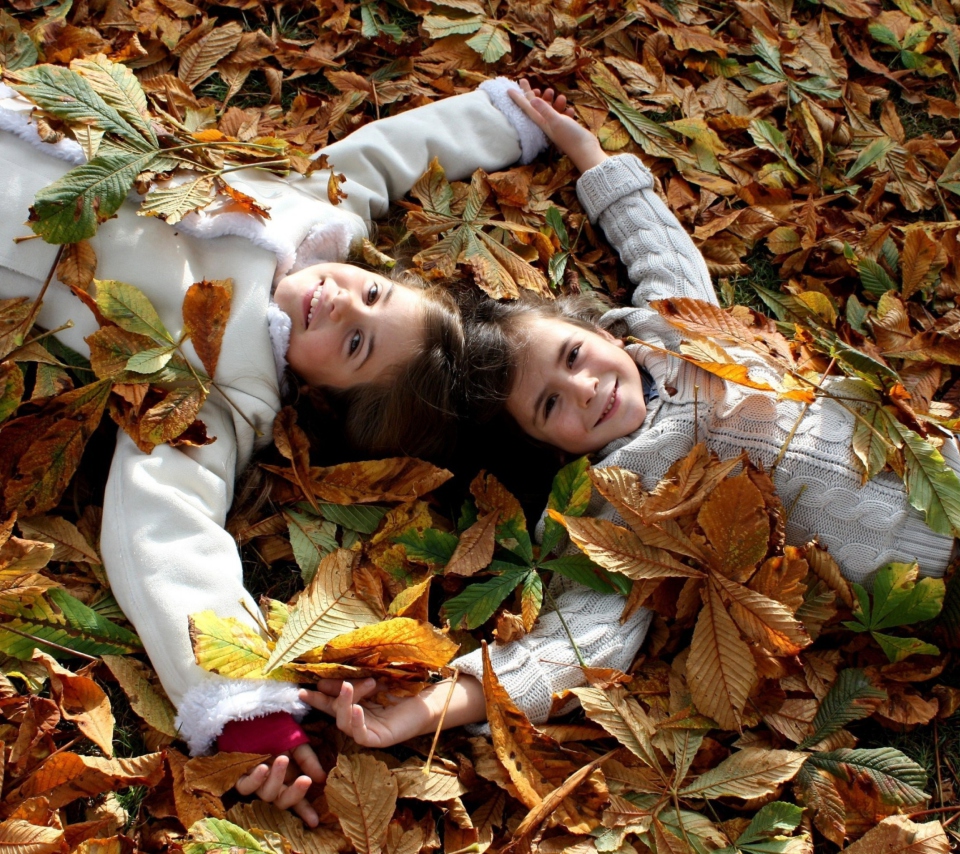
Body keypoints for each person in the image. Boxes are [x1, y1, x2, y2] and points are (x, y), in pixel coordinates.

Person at [301, 81, 960, 755]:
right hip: (917, 568)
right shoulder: (617, 510)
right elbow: (578, 643)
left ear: (598, 331)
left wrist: (585, 152)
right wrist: (427, 709)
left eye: (574, 355)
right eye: (551, 405)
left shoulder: (669, 330)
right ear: (543, 447)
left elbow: (657, 244)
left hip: (937, 452)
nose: (586, 388)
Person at [0, 75, 551, 824]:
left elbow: (164, 526)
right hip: (44, 118)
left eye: (353, 344)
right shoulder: (320, 218)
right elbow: (386, 155)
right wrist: (504, 119)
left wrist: (244, 705)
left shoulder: (227, 386)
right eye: (375, 295)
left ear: (324, 396)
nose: (344, 301)